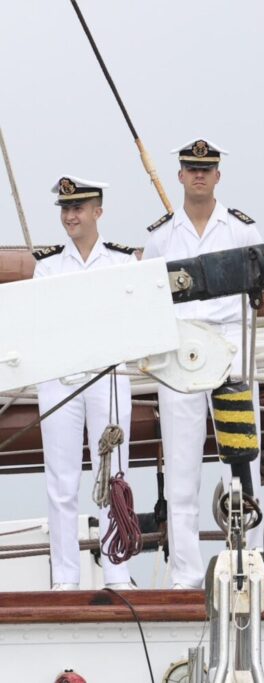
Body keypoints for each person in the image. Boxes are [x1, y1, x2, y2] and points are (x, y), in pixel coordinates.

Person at [142, 139, 264, 589]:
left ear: (218, 176)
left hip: (230, 350)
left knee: (242, 466)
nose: (199, 175)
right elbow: (144, 304)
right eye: (191, 168)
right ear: (180, 175)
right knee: (182, 472)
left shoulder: (242, 230)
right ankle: (185, 575)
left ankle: (249, 564)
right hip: (180, 352)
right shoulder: (161, 236)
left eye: (206, 168)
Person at [33, 176, 136, 591]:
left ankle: (117, 572)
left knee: (114, 475)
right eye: (65, 209)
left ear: (98, 212)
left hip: (108, 375)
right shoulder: (47, 266)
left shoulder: (122, 262)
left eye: (77, 208)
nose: (70, 216)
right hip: (60, 378)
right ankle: (65, 578)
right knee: (61, 481)